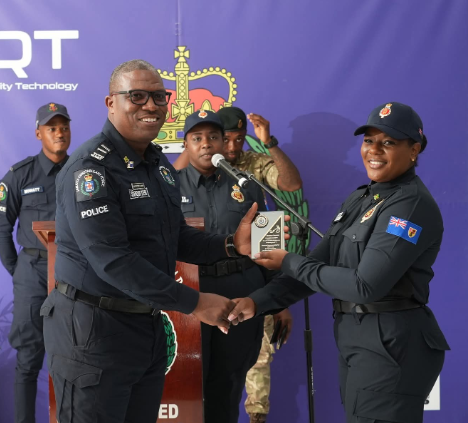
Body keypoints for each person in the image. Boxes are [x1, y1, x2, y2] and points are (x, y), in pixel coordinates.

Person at [41, 60, 286, 423]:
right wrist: (195, 303)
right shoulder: (90, 169)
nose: (151, 105)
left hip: (147, 327)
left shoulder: (158, 165)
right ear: (111, 103)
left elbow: (175, 237)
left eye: (159, 97)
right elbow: (113, 260)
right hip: (94, 332)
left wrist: (231, 244)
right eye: (137, 96)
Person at [230, 102, 451, 423]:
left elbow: (364, 286)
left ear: (414, 150)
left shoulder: (409, 206)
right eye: (369, 140)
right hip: (357, 339)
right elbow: (318, 263)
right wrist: (255, 302)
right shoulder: (361, 198)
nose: (374, 150)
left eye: (388, 142)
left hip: (392, 344)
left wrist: (288, 261)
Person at [177, 105, 301, 423]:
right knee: (187, 387)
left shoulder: (247, 185)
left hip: (240, 294)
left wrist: (277, 301)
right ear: (186, 144)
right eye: (197, 138)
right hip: (190, 297)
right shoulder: (169, 187)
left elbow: (266, 249)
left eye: (213, 137)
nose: (206, 144)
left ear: (224, 142)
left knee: (229, 385)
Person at [0, 102, 72, 423]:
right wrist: (20, 272)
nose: (59, 133)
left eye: (64, 127)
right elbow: (0, 229)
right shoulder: (19, 175)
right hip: (33, 272)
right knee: (28, 358)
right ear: (39, 133)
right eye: (52, 128)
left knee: (74, 357)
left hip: (74, 271)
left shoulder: (84, 172)